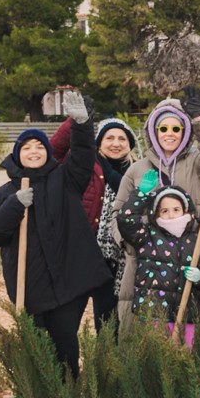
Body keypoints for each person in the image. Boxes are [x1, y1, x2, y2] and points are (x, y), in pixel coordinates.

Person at [0, 97, 103, 374]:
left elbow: (83, 158)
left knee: (66, 346)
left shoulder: (66, 180)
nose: (34, 152)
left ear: (48, 152)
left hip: (67, 285)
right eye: (27, 148)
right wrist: (14, 205)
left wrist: (82, 125)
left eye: (39, 147)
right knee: (35, 349)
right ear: (17, 155)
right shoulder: (1, 197)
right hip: (29, 288)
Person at [110, 90, 200, 329]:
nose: (169, 134)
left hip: (191, 259)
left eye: (176, 128)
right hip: (148, 265)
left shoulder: (197, 163)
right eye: (163, 129)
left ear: (185, 131)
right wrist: (129, 244)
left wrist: (199, 119)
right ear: (154, 132)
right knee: (148, 335)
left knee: (196, 334)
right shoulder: (137, 170)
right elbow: (118, 212)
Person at [48, 113, 138, 331]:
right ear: (98, 142)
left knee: (108, 326)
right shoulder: (83, 164)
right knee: (66, 323)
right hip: (80, 255)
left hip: (115, 260)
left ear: (130, 144)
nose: (116, 143)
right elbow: (53, 153)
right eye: (109, 138)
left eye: (122, 139)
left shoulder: (136, 172)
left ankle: (105, 364)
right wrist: (75, 123)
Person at [116, 186, 200, 338]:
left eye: (176, 209)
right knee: (154, 355)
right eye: (165, 211)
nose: (171, 215)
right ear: (156, 213)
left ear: (186, 210)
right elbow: (126, 220)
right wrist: (141, 195)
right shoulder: (147, 237)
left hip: (185, 314)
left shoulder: (198, 241)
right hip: (152, 313)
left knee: (182, 356)